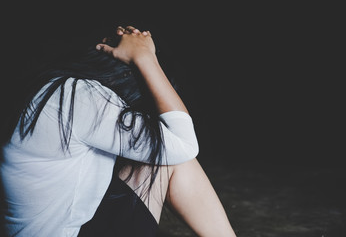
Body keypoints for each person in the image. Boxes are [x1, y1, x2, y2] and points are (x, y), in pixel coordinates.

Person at [0, 25, 236, 236]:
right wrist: (146, 60)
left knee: (166, 152)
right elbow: (183, 144)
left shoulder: (59, 90)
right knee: (173, 154)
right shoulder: (80, 98)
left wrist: (142, 57)